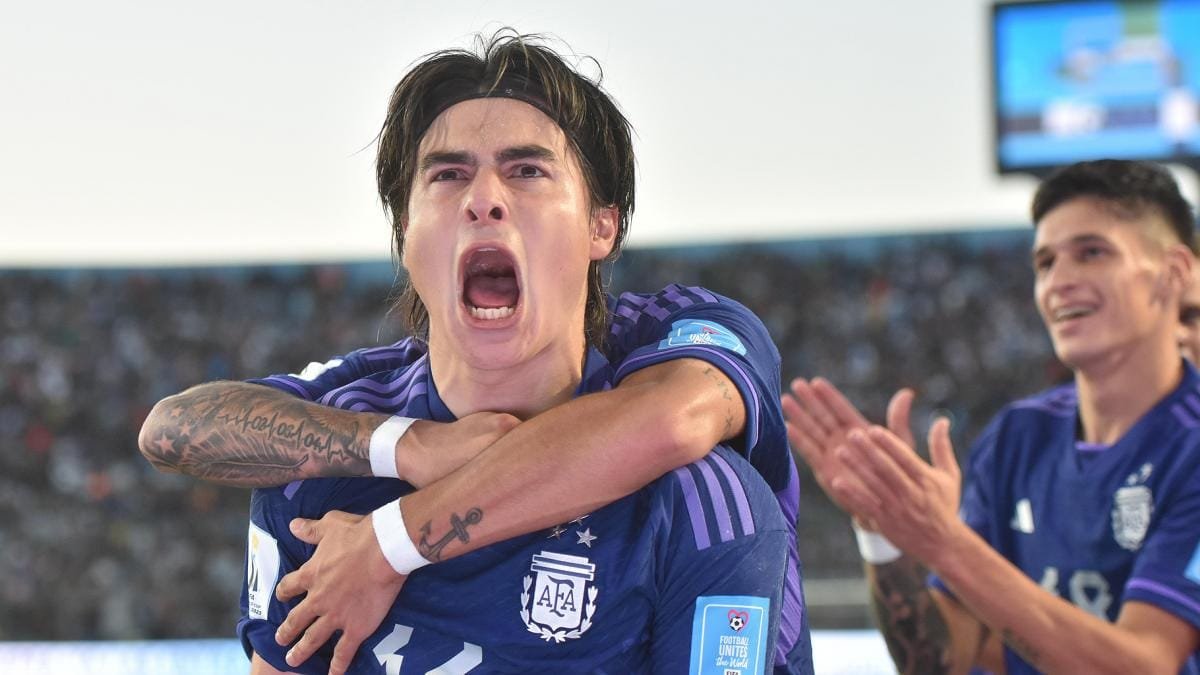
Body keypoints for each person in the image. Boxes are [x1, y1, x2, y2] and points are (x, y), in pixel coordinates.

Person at [140, 31, 812, 674]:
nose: (484, 199)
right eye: (448, 175)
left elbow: (669, 419)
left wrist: (392, 542)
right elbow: (172, 427)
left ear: (601, 225)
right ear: (405, 231)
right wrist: (411, 447)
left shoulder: (698, 461)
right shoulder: (326, 463)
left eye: (527, 170)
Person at [782, 159, 1200, 674]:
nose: (1060, 281)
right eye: (1045, 263)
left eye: (1092, 253)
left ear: (1174, 272)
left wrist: (945, 543)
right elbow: (940, 661)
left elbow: (1146, 666)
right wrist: (883, 535)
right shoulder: (1016, 437)